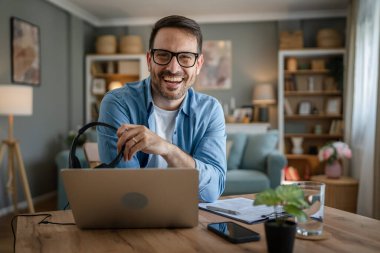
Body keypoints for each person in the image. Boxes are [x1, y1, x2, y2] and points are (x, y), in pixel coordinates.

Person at [97, 15, 226, 202]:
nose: (173, 68)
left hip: (191, 221)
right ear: (149, 60)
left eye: (185, 57)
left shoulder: (210, 110)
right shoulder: (117, 103)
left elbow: (212, 191)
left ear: (198, 65)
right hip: (133, 221)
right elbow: (126, 189)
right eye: (163, 55)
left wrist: (167, 149)